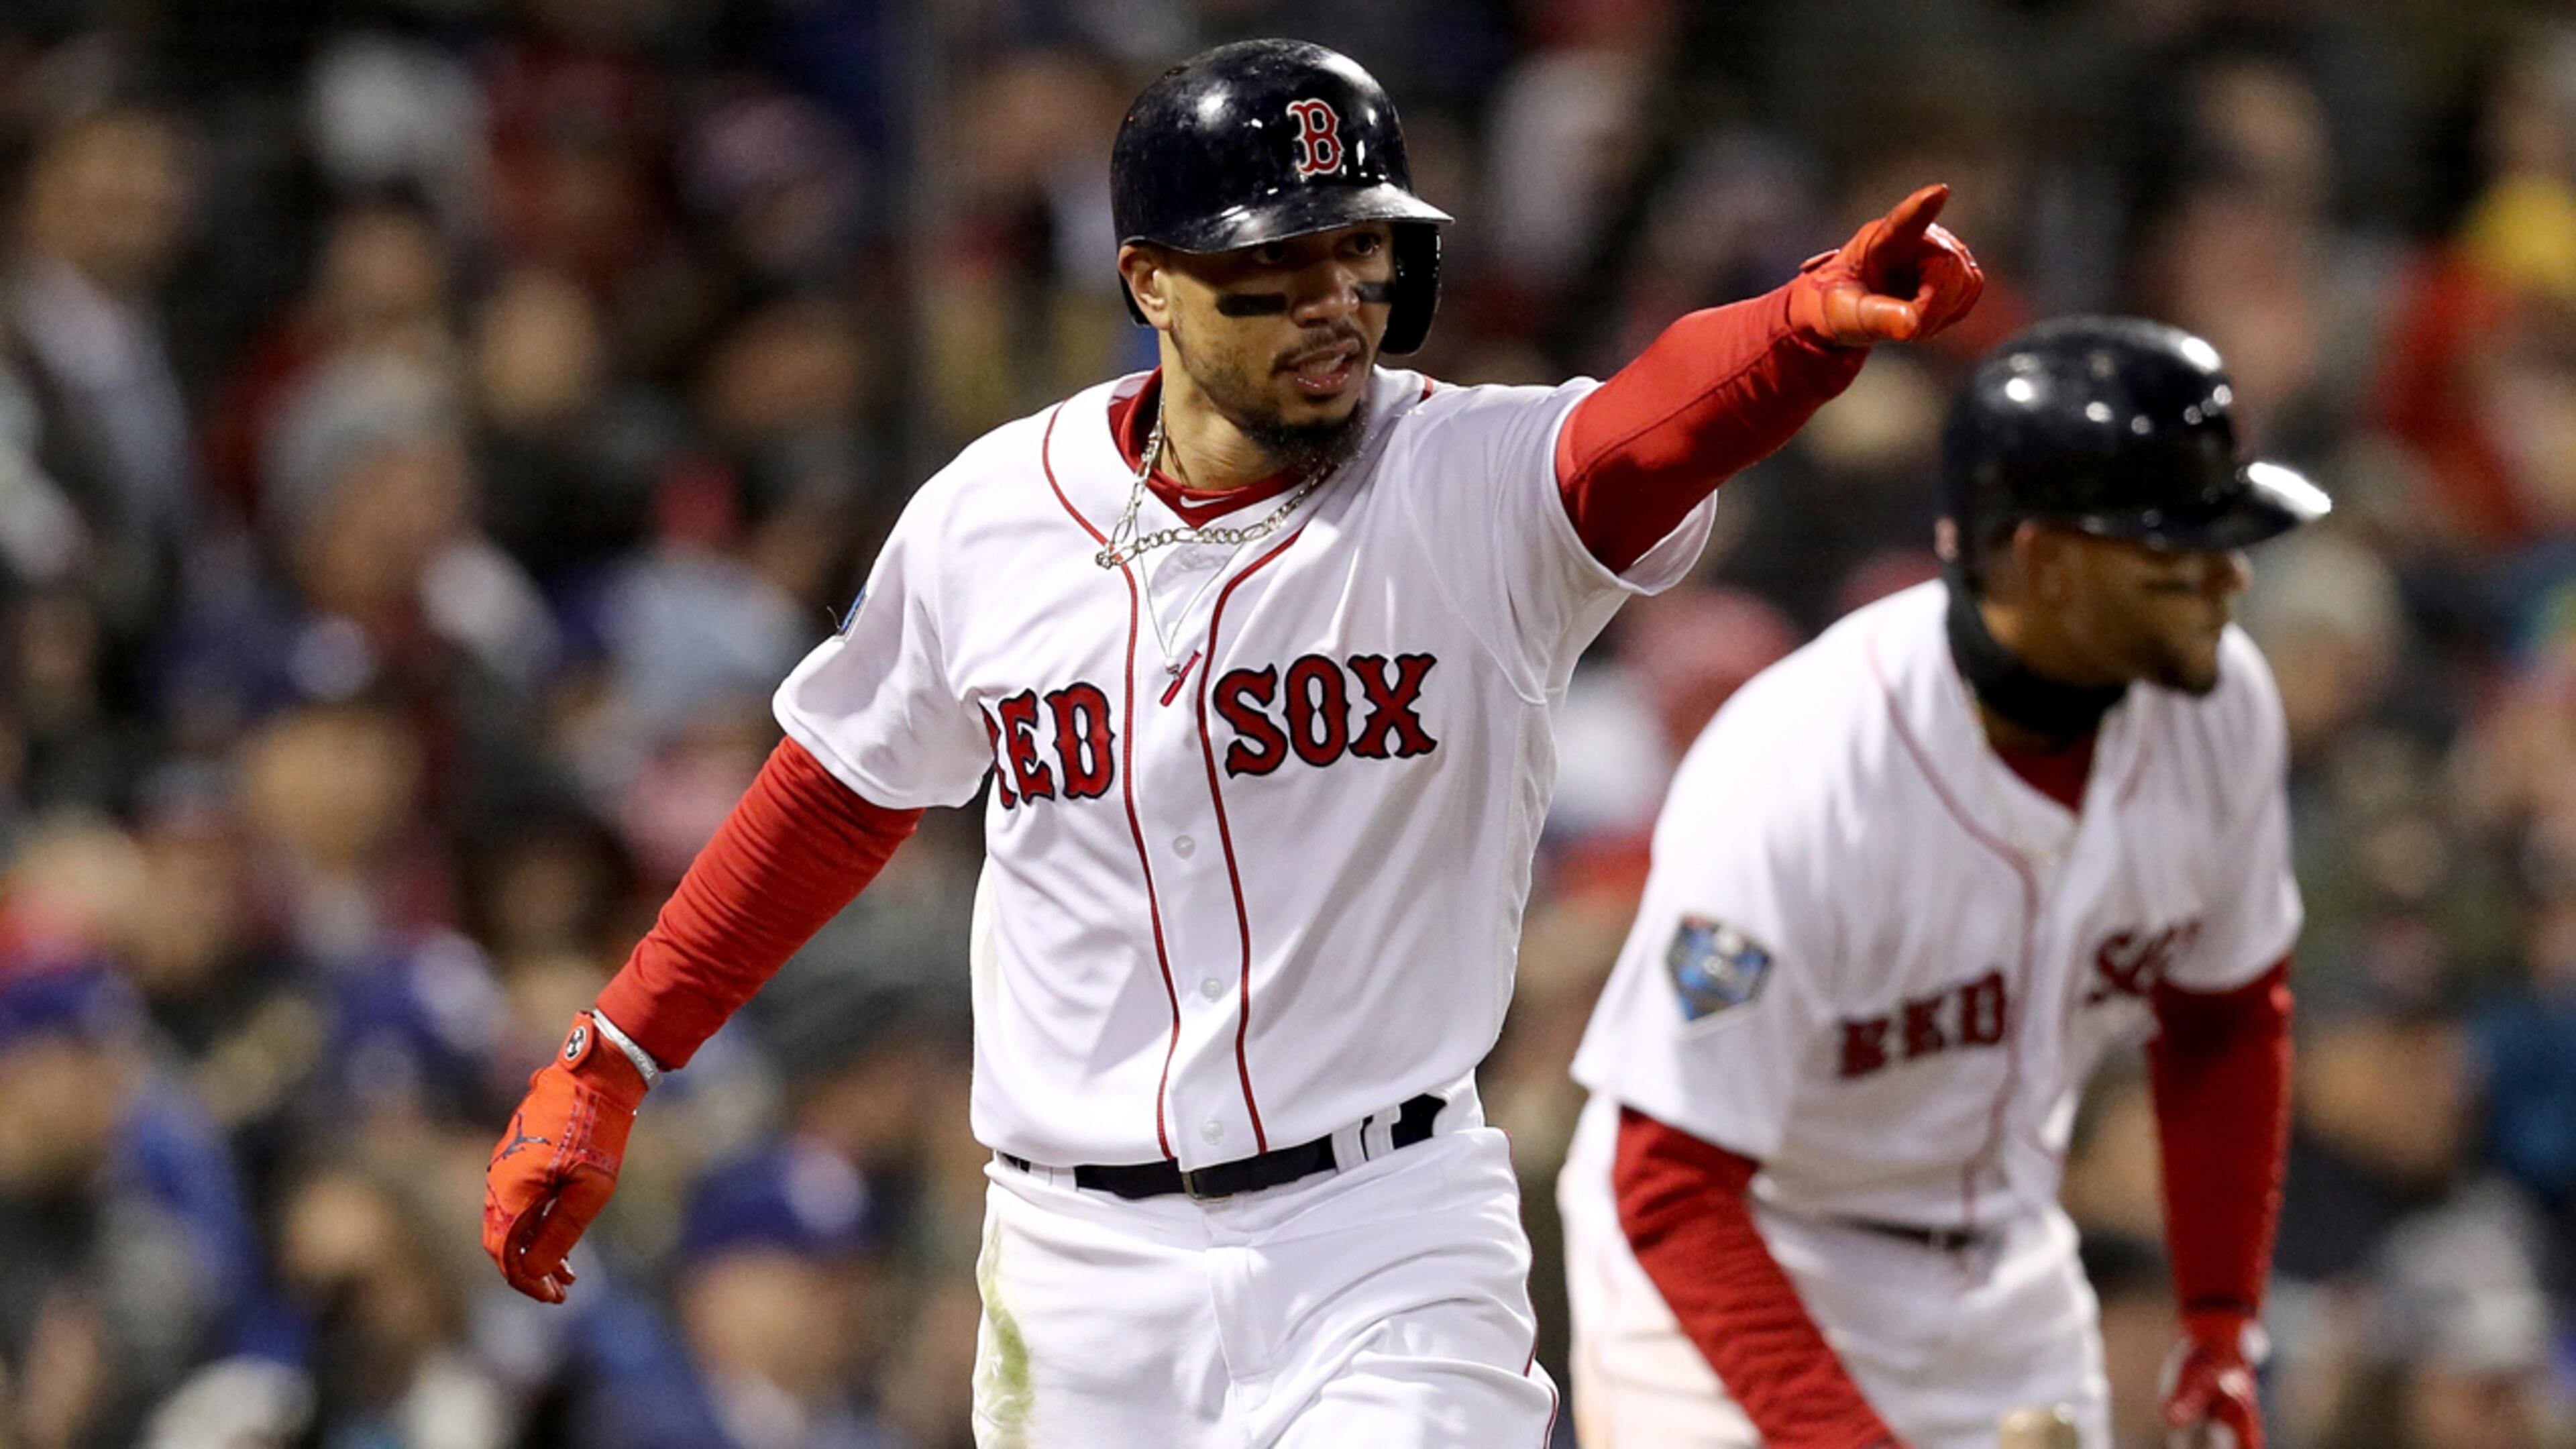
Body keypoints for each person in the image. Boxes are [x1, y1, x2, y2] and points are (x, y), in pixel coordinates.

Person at [481, 38, 1980, 1446]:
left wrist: (1798, 331)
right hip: (1075, 1276)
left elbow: (1643, 431)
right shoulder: (992, 513)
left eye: (1360, 247)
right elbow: (836, 796)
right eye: (1276, 259)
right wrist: (613, 1053)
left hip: (1382, 1235)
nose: (1334, 297)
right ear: (1150, 279)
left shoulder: (1467, 481)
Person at [1558, 315, 2330, 1448]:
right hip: (1749, 1268)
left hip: (2005, 1279)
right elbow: (1672, 1184)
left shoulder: (2222, 707)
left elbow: (2225, 1022)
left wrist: (2218, 1326)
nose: (2231, 576)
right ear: (2046, 560)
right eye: (2180, 551)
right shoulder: (1810, 765)